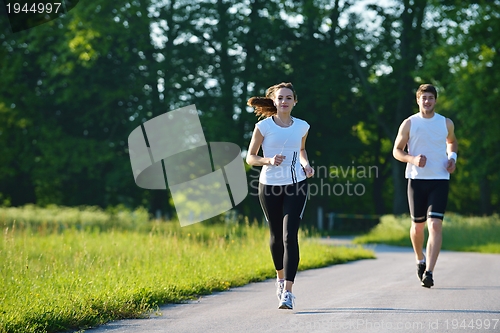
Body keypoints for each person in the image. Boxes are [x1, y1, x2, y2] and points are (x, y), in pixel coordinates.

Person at [246, 82, 314, 309]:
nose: (284, 101)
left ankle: (288, 292)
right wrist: (268, 160)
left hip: (296, 184)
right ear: (274, 101)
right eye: (280, 98)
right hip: (270, 185)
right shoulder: (263, 127)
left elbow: (301, 150)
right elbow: (250, 157)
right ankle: (280, 278)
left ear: (295, 101)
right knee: (276, 235)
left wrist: (306, 165)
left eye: (288, 98)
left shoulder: (303, 126)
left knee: (289, 236)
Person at [393, 83, 458, 288]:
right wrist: (412, 159)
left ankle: (429, 272)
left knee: (435, 224)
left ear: (435, 100)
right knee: (417, 227)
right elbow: (397, 150)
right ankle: (419, 259)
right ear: (418, 100)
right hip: (416, 180)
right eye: (424, 98)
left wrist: (452, 158)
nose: (427, 101)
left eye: (430, 97)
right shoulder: (409, 123)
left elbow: (452, 142)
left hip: (439, 180)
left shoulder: (445, 123)